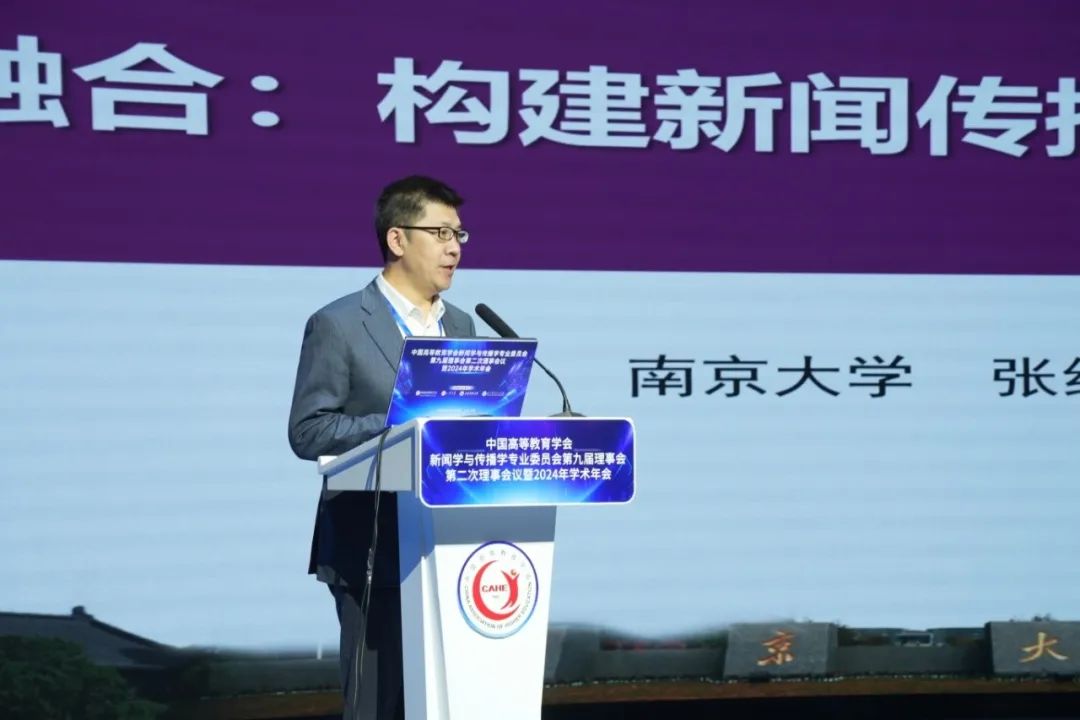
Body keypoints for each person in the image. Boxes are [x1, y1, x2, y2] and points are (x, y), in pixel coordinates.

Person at [287, 175, 476, 719]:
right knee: (379, 705)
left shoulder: (462, 325)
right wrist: (402, 423)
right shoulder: (339, 324)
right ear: (397, 239)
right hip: (372, 548)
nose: (454, 248)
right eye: (440, 233)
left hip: (454, 549)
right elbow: (309, 431)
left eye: (460, 234)